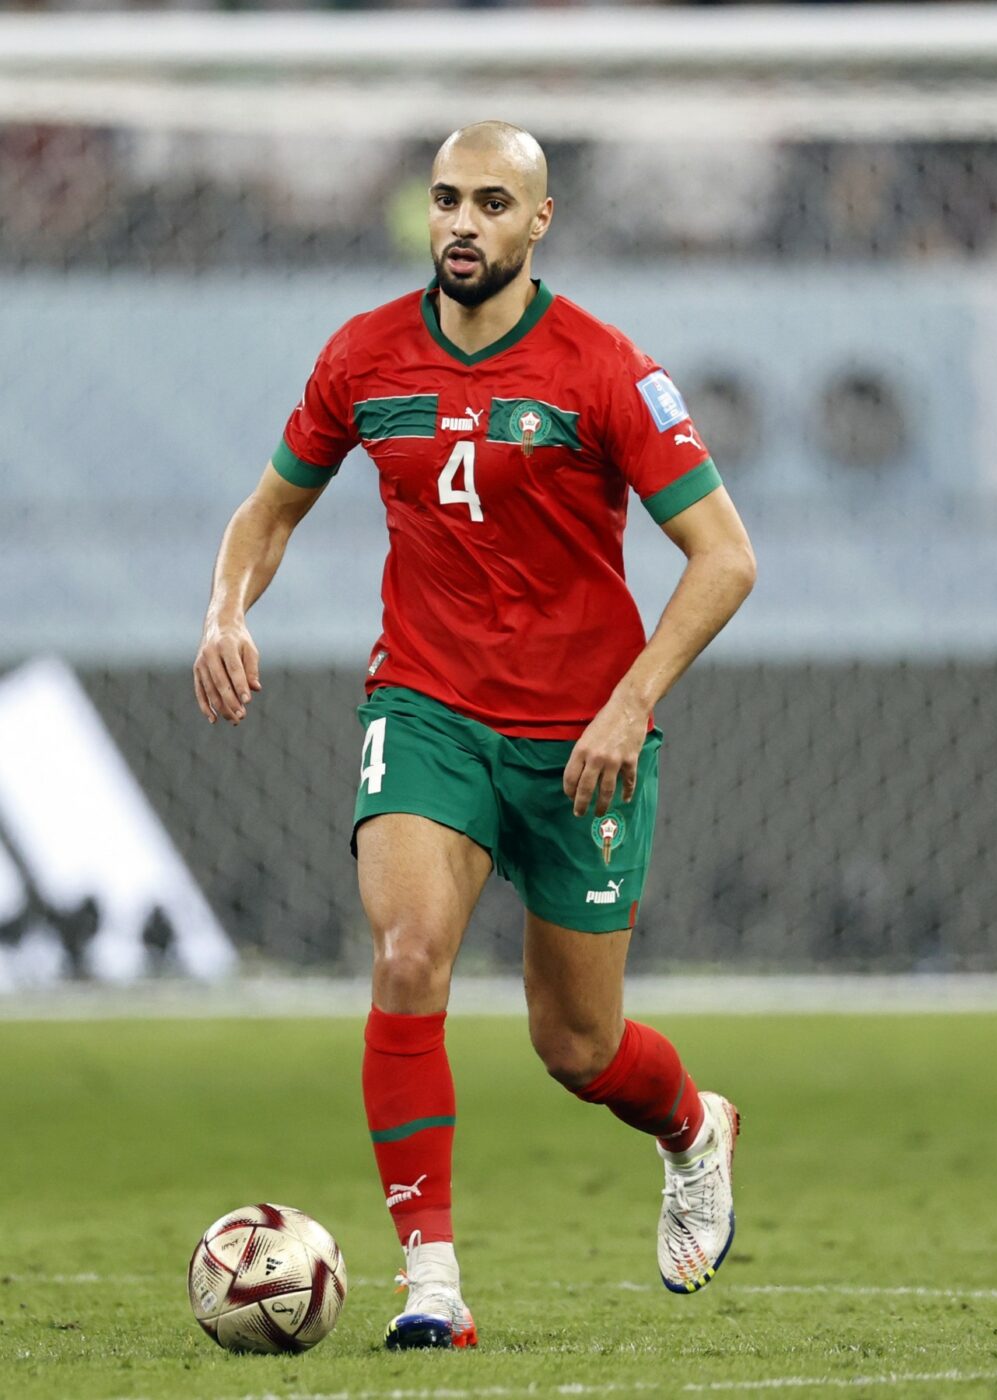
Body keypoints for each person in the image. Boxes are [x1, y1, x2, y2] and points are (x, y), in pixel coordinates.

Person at [193, 121, 756, 1352]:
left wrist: (631, 701)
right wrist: (227, 609)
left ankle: (691, 1127)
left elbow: (725, 557)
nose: (462, 222)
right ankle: (431, 1282)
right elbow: (270, 508)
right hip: (427, 709)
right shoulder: (363, 354)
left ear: (539, 221)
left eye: (493, 203)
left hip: (583, 740)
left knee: (578, 1043)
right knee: (406, 956)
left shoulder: (605, 369)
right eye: (447, 198)